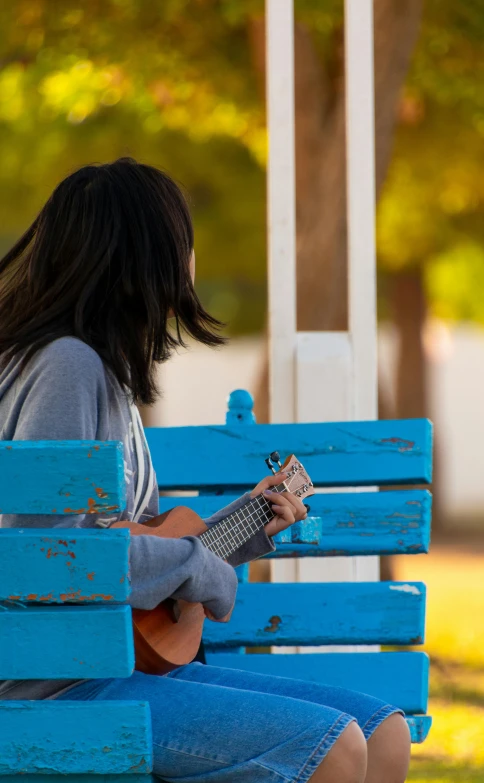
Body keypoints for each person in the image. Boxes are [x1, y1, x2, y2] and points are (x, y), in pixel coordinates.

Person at [0, 158, 410, 783]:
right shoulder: (67, 367)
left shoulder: (101, 373)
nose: (191, 261)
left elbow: (131, 549)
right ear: (146, 255)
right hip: (54, 689)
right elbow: (46, 558)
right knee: (335, 748)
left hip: (113, 667)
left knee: (383, 733)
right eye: (183, 242)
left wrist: (237, 533)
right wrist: (194, 563)